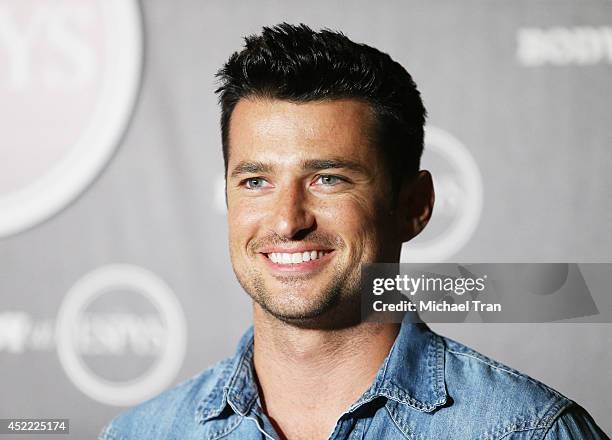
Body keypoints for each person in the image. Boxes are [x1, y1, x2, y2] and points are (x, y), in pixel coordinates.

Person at [99, 23, 608, 440]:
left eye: (328, 179)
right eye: (256, 181)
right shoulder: (142, 434)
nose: (287, 221)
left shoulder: (529, 433)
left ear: (415, 206)